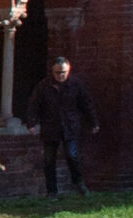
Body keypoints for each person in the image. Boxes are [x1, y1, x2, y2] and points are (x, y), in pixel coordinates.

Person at [26, 53, 98, 198]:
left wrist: (93, 122)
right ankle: (51, 191)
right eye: (57, 72)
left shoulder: (76, 85)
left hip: (70, 126)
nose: (60, 75)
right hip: (50, 126)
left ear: (69, 70)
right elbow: (34, 105)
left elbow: (86, 104)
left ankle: (79, 183)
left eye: (63, 72)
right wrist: (31, 123)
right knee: (49, 160)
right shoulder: (44, 85)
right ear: (52, 72)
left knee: (72, 156)